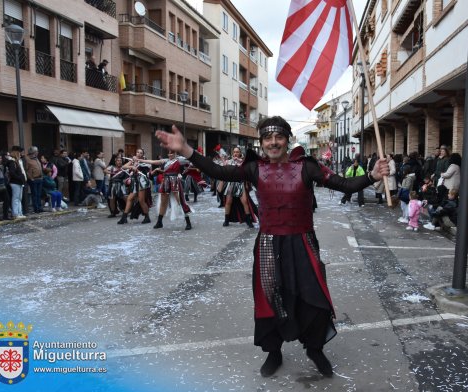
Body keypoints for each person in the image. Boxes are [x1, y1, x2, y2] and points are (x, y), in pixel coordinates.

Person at [155, 116, 389, 378]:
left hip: (303, 243)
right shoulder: (255, 168)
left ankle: (314, 348)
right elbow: (218, 172)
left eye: (278, 137)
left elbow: (344, 184)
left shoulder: (307, 167)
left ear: (287, 140)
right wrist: (186, 150)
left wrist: (372, 176)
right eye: (267, 138)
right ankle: (273, 351)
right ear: (262, 142)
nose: (273, 142)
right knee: (269, 299)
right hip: (268, 244)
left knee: (313, 298)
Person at [136, 151, 192, 230]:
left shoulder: (179, 159)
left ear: (175, 153)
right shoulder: (166, 161)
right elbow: (153, 162)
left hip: (175, 181)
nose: (170, 154)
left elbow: (191, 160)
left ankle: (188, 222)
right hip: (166, 181)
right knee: (163, 203)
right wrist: (140, 160)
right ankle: (159, 222)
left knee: (181, 201)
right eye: (169, 153)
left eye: (172, 153)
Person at [221, 146, 256, 227]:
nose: (236, 153)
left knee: (244, 201)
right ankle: (226, 220)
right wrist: (223, 160)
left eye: (237, 152)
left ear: (240, 153)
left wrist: (247, 184)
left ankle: (248, 220)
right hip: (231, 184)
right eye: (234, 152)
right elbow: (224, 169)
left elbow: (247, 173)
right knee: (228, 202)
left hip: (240, 184)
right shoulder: (229, 161)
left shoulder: (243, 162)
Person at [117, 148, 152, 224]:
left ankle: (147, 217)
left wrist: (136, 164)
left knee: (141, 200)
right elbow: (123, 167)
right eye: (137, 152)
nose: (138, 154)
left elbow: (146, 168)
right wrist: (131, 165)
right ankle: (124, 217)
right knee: (129, 198)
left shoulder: (144, 161)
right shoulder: (133, 161)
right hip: (135, 182)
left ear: (143, 155)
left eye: (140, 153)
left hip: (142, 182)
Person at [6, 147, 26, 219]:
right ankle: (15, 213)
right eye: (19, 153)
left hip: (19, 182)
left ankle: (19, 212)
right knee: (16, 198)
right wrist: (19, 177)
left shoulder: (16, 162)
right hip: (15, 182)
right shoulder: (12, 162)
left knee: (19, 198)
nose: (20, 154)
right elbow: (12, 173)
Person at [25, 146, 44, 213]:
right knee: (35, 194)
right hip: (34, 179)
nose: (38, 152)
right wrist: (31, 178)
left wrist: (42, 176)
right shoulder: (28, 160)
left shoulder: (36, 159)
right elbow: (26, 170)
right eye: (37, 151)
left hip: (39, 178)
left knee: (39, 194)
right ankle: (36, 208)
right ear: (33, 152)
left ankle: (39, 207)